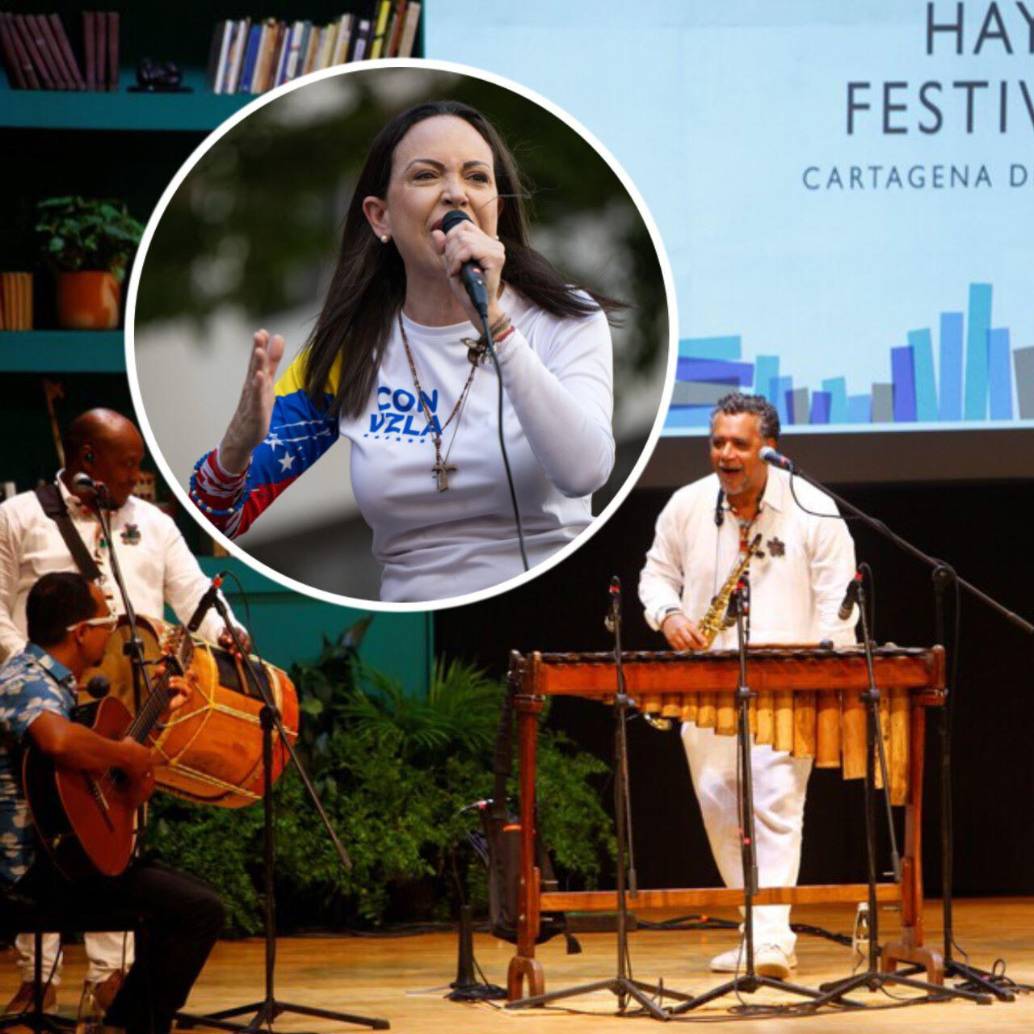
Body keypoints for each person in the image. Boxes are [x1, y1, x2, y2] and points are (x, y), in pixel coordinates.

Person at [190, 99, 619, 602]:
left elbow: (584, 471)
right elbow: (213, 519)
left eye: (477, 178)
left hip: (549, 608)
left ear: (497, 211)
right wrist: (236, 452)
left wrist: (497, 326)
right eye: (426, 176)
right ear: (381, 218)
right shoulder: (354, 349)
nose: (456, 193)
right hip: (414, 620)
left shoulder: (565, 319)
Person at [0, 407, 241, 1014]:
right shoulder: (18, 517)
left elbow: (192, 594)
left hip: (127, 700)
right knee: (42, 829)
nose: (137, 476)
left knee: (108, 829)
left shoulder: (152, 525)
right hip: (46, 692)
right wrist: (33, 670)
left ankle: (112, 975)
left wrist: (229, 630)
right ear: (86, 460)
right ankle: (37, 975)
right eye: (127, 464)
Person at [638, 392, 856, 979]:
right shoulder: (686, 506)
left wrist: (823, 670)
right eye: (717, 442)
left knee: (775, 805)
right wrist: (669, 616)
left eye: (738, 443)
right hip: (705, 684)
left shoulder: (813, 509)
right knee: (719, 806)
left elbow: (841, 603)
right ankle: (758, 929)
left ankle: (773, 940)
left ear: (769, 449)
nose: (725, 454)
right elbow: (656, 575)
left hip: (786, 688)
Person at [0, 572, 224, 1034]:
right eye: (106, 619)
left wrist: (154, 722)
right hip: (33, 871)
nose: (113, 630)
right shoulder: (23, 680)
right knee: (196, 909)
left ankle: (126, 1024)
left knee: (192, 899)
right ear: (80, 633)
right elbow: (59, 743)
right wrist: (126, 754)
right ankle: (131, 1026)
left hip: (63, 858)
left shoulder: (61, 687)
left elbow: (101, 777)